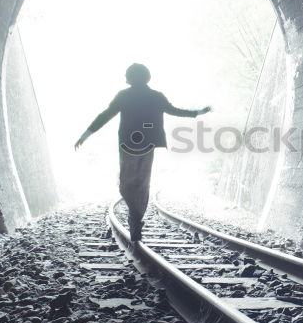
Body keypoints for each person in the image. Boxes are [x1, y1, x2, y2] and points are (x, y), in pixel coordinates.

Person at [74, 63, 210, 242]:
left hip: (127, 145)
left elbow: (106, 115)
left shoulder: (123, 96)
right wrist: (198, 112)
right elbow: (174, 111)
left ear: (130, 77)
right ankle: (136, 218)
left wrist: (86, 134)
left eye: (126, 74)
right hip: (148, 145)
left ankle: (133, 214)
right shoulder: (156, 96)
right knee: (143, 183)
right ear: (147, 77)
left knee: (126, 183)